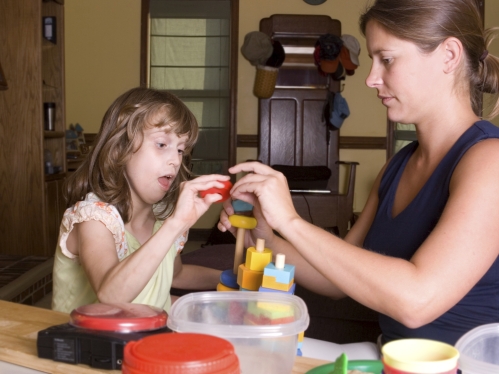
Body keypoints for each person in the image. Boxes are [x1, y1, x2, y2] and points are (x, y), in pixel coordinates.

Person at [219, 0, 499, 346]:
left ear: (449, 55)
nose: (370, 78)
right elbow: (336, 279)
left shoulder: (489, 161)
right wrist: (263, 235)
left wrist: (290, 220)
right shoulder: (397, 167)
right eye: (372, 60)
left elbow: (417, 301)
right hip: (395, 360)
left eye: (388, 59)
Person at [52, 87, 229, 313]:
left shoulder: (163, 218)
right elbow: (111, 295)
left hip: (147, 340)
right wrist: (176, 224)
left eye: (181, 150)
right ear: (120, 149)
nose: (175, 160)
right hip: (89, 346)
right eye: (162, 144)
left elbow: (177, 275)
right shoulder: (94, 218)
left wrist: (231, 280)